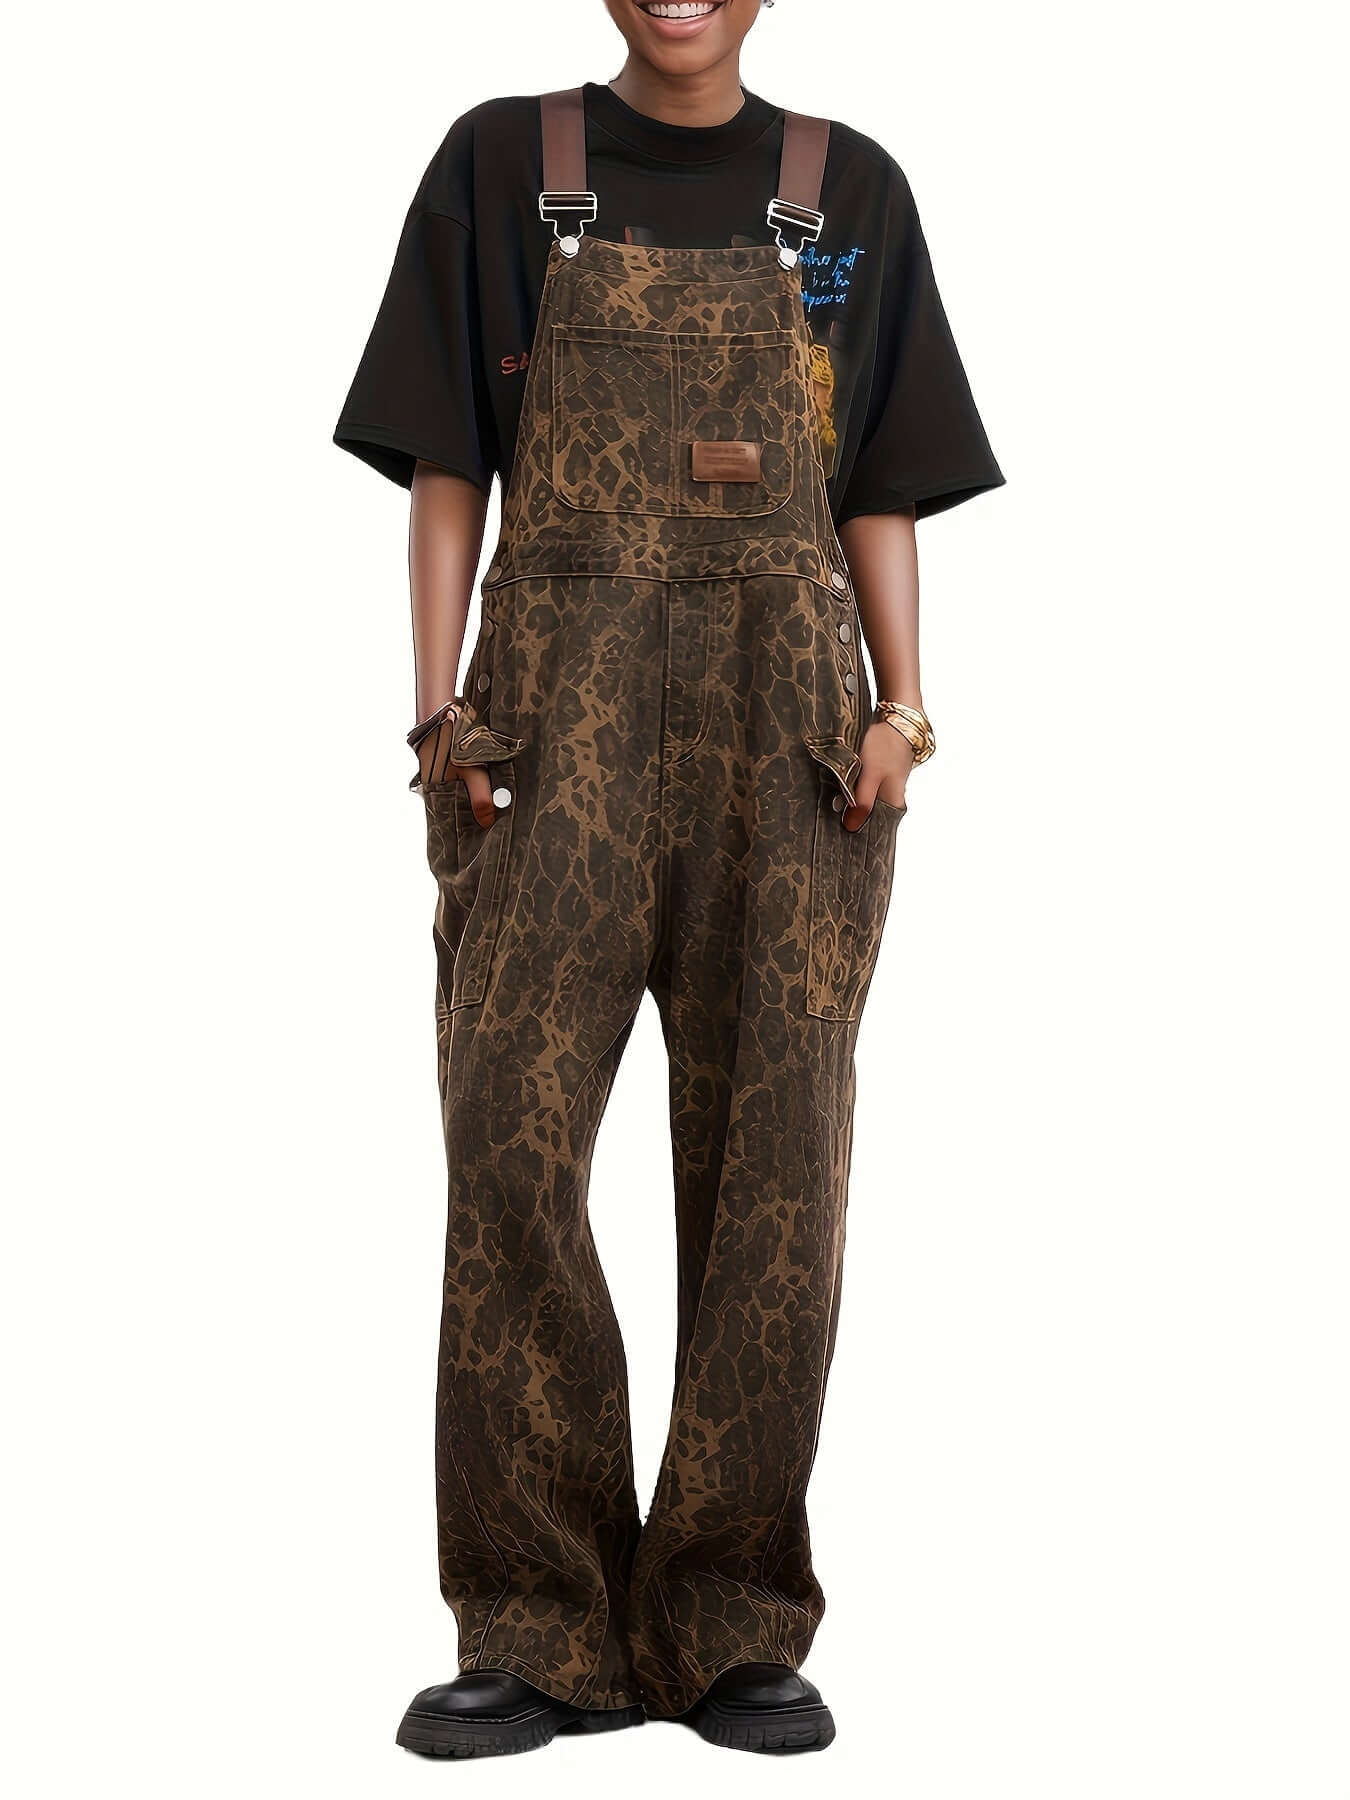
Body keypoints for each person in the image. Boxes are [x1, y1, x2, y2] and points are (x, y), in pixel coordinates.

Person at [335, 0, 1001, 1760]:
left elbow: (876, 478)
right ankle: (535, 1623)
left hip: (786, 737)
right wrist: (435, 713)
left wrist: (900, 709)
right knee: (508, 1151)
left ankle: (726, 1623)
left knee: (777, 1170)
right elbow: (447, 461)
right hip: (545, 726)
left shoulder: (847, 192)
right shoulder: (501, 163)